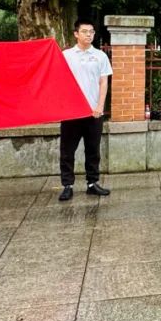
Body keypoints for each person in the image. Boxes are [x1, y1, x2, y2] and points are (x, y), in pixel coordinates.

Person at [60, 20, 113, 202]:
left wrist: (100, 106)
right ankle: (67, 185)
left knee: (93, 150)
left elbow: (103, 82)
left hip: (93, 112)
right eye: (84, 31)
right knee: (67, 151)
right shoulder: (66, 55)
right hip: (71, 112)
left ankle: (92, 183)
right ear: (76, 34)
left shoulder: (100, 56)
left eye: (91, 31)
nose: (89, 34)